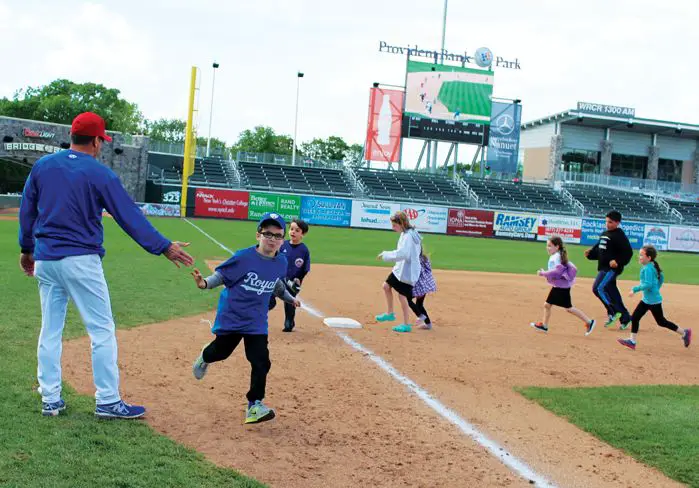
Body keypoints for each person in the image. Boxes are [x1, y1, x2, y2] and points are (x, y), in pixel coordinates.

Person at [18, 112, 193, 418]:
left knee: (50, 329)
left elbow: (27, 209)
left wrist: (26, 249)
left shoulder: (43, 166)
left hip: (46, 259)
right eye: (102, 141)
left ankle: (50, 399)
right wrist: (164, 247)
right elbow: (129, 216)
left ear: (72, 137)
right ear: (97, 141)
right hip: (80, 260)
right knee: (101, 330)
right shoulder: (100, 174)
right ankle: (108, 401)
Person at [190, 212, 300, 424]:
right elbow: (222, 276)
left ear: (282, 240)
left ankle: (254, 405)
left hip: (256, 321)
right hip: (233, 316)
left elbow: (276, 283)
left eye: (277, 235)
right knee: (220, 352)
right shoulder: (244, 257)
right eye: (268, 234)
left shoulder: (281, 261)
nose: (272, 239)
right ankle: (205, 355)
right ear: (258, 234)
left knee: (261, 361)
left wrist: (289, 298)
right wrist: (204, 283)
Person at [618, 245, 692, 350]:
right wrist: (656, 288)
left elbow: (648, 284)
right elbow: (661, 277)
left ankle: (685, 332)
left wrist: (635, 289)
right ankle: (632, 341)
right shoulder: (651, 265)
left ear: (649, 258)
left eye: (641, 255)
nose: (639, 257)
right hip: (648, 300)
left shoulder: (648, 268)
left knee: (661, 321)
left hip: (652, 301)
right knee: (636, 318)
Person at [530, 237, 596, 336]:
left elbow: (558, 271)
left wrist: (543, 273)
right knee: (548, 305)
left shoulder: (556, 257)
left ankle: (589, 322)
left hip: (561, 287)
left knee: (567, 308)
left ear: (557, 247)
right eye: (547, 246)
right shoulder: (556, 256)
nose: (547, 248)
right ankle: (544, 326)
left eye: (550, 246)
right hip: (560, 286)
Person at [375, 211, 423, 333]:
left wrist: (386, 254)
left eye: (394, 225)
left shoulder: (408, 236)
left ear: (401, 224)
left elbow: (403, 254)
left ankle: (406, 324)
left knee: (402, 296)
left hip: (407, 272)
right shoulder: (407, 233)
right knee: (386, 286)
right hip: (401, 269)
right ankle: (390, 313)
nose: (393, 228)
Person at [585, 210, 633, 329]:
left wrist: (617, 261)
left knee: (597, 288)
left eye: (610, 222)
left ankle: (613, 311)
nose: (607, 224)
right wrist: (590, 254)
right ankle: (625, 318)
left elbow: (628, 253)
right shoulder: (605, 233)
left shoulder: (619, 235)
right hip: (604, 267)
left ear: (617, 223)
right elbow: (600, 251)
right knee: (612, 292)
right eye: (606, 221)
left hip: (611, 269)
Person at [278, 218, 310, 332]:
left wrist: (299, 279)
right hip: (280, 278)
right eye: (291, 229)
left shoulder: (304, 250)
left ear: (303, 234)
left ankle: (289, 322)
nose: (293, 232)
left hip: (293, 281)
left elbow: (305, 268)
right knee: (269, 296)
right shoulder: (283, 245)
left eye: (297, 230)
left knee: (290, 301)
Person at [412, 248, 437, 330]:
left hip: (419, 285)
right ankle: (428, 324)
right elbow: (429, 269)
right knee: (419, 304)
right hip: (426, 283)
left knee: (406, 298)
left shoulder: (416, 260)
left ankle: (420, 316)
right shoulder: (424, 258)